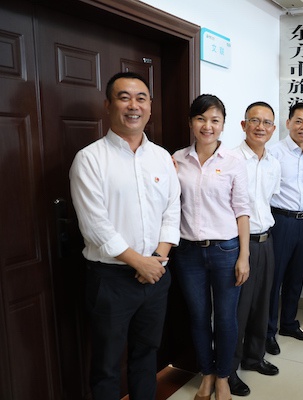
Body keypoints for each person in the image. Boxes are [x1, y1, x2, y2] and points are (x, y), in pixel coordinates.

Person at [69, 71, 181, 399]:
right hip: (111, 281)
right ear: (108, 105)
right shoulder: (90, 159)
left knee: (147, 356)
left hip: (156, 275)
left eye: (141, 98)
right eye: (124, 97)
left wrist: (157, 259)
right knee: (106, 365)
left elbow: (172, 210)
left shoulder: (161, 158)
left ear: (150, 107)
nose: (134, 105)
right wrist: (139, 262)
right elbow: (95, 225)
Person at [171, 94, 251, 400]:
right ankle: (206, 373)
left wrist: (244, 256)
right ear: (191, 122)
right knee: (199, 316)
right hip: (188, 252)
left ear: (223, 124)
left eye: (215, 120)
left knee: (227, 318)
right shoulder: (177, 159)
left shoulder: (233, 161)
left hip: (226, 251)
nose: (208, 126)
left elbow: (242, 211)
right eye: (201, 119)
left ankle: (223, 377)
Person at [228, 102, 281, 397]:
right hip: (239, 244)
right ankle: (229, 368)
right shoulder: (231, 159)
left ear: (273, 128)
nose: (261, 127)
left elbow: (268, 199)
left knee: (263, 303)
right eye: (254, 121)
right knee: (238, 309)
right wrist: (242, 253)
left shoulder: (273, 162)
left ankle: (254, 356)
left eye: (267, 122)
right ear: (243, 124)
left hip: (266, 240)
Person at [266, 102, 303, 355]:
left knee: (296, 277)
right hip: (280, 221)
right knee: (274, 279)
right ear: (288, 123)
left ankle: (288, 323)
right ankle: (268, 332)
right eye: (298, 121)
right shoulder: (273, 152)